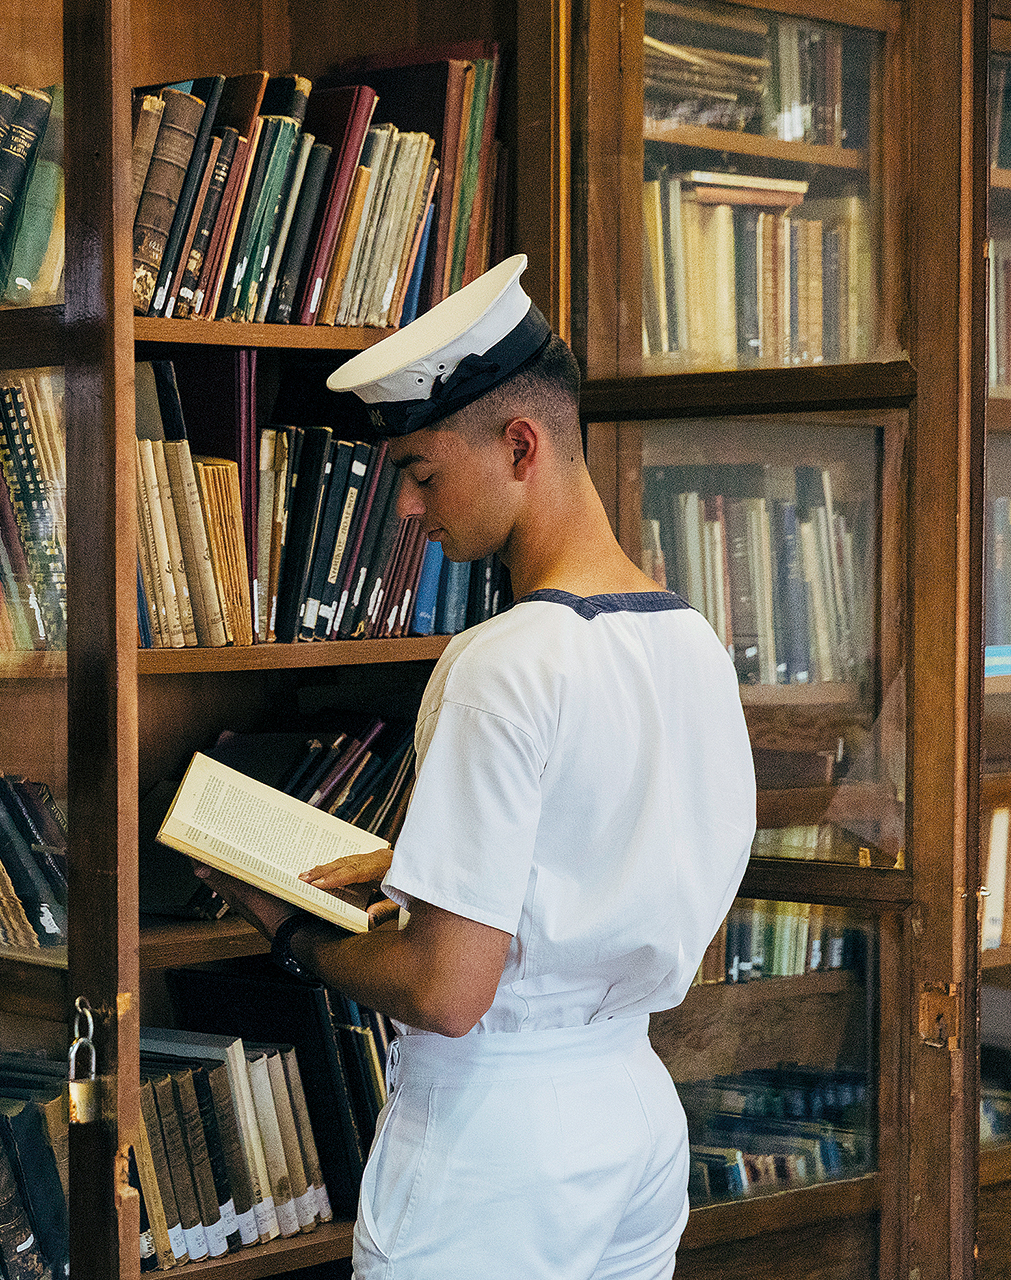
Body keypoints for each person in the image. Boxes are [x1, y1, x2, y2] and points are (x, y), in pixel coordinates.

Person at [195, 254, 757, 1280]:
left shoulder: (502, 659)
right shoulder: (694, 643)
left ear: (520, 444)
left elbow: (448, 989)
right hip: (632, 1106)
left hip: (496, 1139)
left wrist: (283, 926)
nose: (407, 509)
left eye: (420, 471)